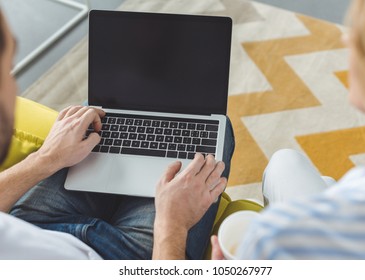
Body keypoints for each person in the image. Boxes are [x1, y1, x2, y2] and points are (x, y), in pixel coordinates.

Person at [0, 9, 235, 259]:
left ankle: (146, 86)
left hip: (33, 227)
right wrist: (173, 225)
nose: (15, 87)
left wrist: (45, 157)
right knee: (218, 127)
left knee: (100, 112)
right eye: (10, 68)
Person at [207, 0, 365, 259]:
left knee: (286, 165)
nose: (347, 39)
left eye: (359, 36)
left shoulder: (276, 237)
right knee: (301, 170)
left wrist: (171, 225)